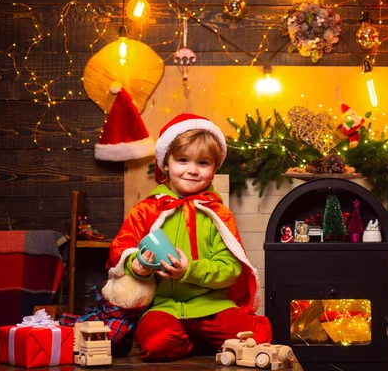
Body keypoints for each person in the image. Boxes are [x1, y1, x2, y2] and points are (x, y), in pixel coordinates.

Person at [106, 113, 271, 361]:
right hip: (163, 306)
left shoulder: (217, 215)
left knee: (253, 338)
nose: (192, 170)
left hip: (211, 304)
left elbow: (231, 269)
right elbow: (122, 248)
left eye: (203, 163)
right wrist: (137, 265)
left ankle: (202, 336)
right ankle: (198, 342)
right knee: (157, 345)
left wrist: (189, 270)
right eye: (183, 160)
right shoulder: (146, 209)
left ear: (214, 168)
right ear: (166, 163)